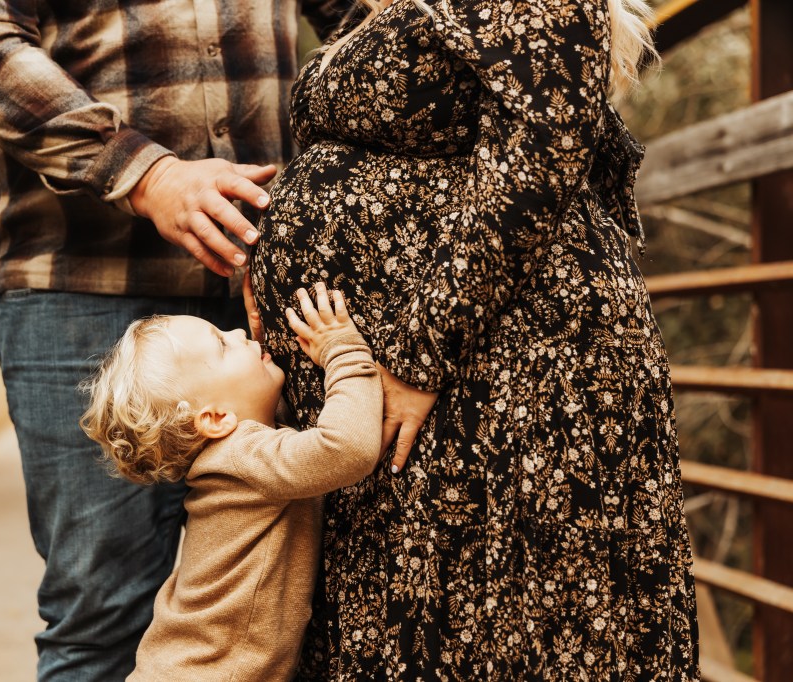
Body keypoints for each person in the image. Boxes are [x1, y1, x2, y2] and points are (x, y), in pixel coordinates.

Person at [250, 0, 700, 678]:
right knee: (423, 612)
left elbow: (543, 150)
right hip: (427, 357)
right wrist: (267, 242)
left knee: (497, 622)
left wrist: (421, 351)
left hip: (499, 363)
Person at [0, 0, 353, 679]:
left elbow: (372, 20)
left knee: (309, 596)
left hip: (270, 276)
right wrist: (150, 173)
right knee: (100, 612)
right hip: (83, 278)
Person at [79, 282, 382, 680]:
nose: (237, 333)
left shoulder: (234, 459)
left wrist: (256, 358)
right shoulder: (244, 460)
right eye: (222, 345)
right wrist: (344, 350)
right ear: (216, 418)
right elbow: (348, 448)